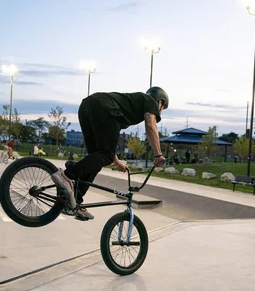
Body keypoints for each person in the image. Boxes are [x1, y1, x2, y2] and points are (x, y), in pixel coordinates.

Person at [51, 86, 169, 221]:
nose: (160, 112)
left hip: (87, 106)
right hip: (103, 107)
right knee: (105, 156)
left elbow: (107, 142)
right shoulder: (150, 101)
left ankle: (75, 202)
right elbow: (150, 124)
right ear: (160, 102)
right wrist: (158, 155)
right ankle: (67, 175)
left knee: (96, 159)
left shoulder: (129, 106)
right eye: (162, 108)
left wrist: (117, 162)